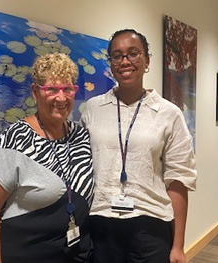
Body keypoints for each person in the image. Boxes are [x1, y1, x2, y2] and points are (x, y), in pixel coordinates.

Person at [80, 29, 197, 263]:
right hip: (101, 223)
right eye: (117, 55)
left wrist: (178, 245)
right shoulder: (93, 109)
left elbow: (178, 179)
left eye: (133, 53)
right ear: (111, 64)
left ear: (147, 61)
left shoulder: (169, 114)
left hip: (150, 225)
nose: (125, 61)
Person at [0, 53, 94, 263]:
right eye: (51, 89)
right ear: (35, 92)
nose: (61, 97)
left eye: (67, 89)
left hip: (77, 253)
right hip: (27, 254)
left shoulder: (81, 135)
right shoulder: (17, 138)